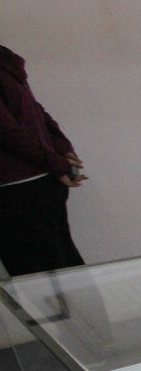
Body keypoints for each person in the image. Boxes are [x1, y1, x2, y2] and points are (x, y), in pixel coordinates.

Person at [0, 44, 87, 277]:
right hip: (39, 181)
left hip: (17, 188)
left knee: (34, 275)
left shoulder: (7, 63)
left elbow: (9, 131)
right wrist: (60, 155)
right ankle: (82, 303)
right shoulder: (7, 62)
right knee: (64, 264)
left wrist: (61, 154)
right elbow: (32, 115)